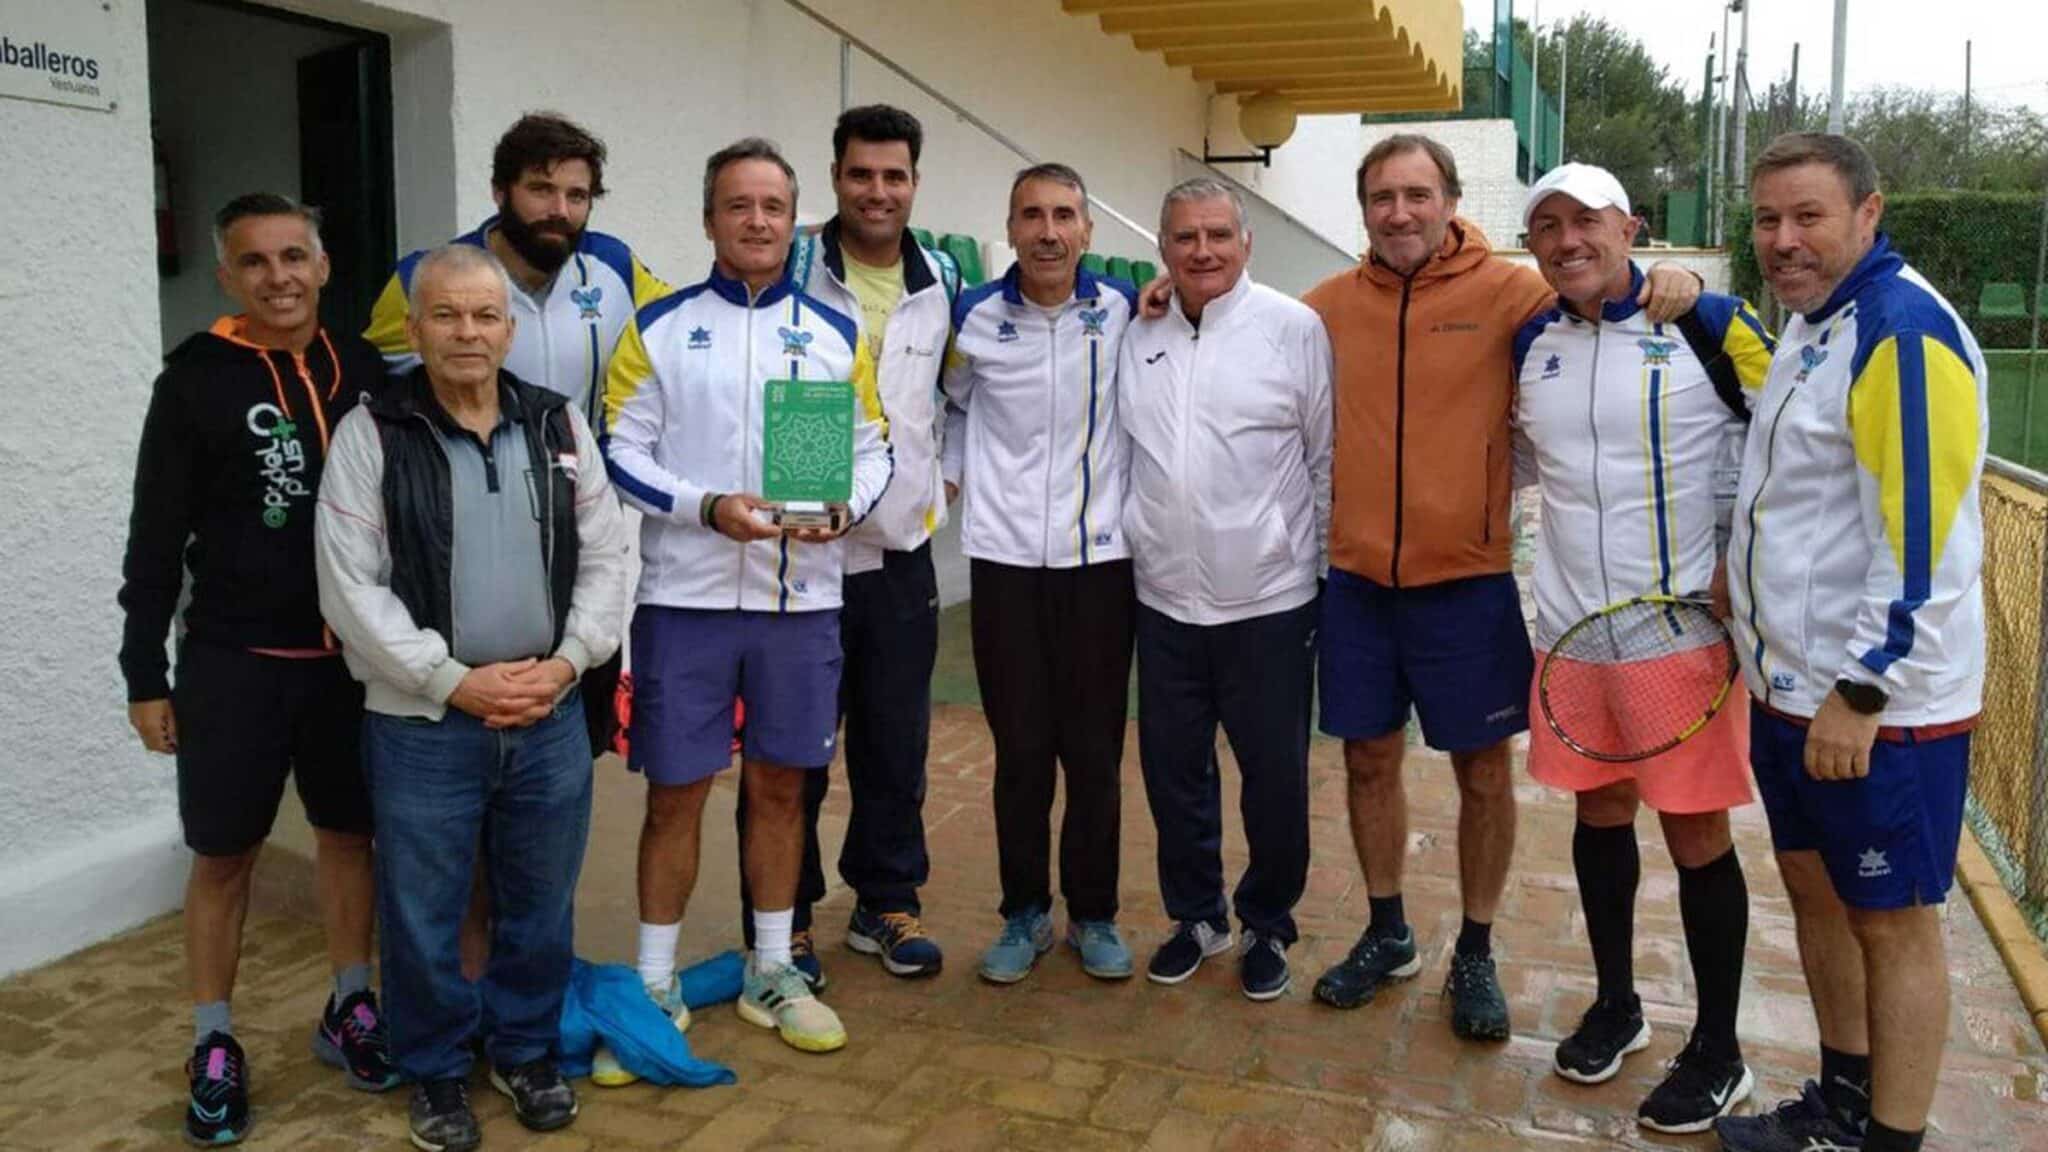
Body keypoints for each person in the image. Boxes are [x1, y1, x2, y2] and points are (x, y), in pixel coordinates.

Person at [1302, 133, 1700, 1041]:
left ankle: (1476, 948)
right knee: (1367, 760)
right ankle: (1387, 929)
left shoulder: (1513, 294)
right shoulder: (1322, 308)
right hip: (1358, 581)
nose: (1399, 213)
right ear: (1363, 210)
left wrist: (1683, 286)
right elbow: (1235, 328)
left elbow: (1608, 290)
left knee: (1482, 772)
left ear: (1449, 200)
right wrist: (1159, 298)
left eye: (1417, 194)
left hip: (1468, 582)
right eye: (1382, 198)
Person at [316, 243, 628, 1150]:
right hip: (422, 724)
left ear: (508, 327)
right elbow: (351, 588)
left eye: (485, 316)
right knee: (423, 910)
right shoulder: (373, 432)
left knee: (540, 900)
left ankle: (525, 1051)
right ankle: (437, 1071)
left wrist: (570, 661)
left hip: (549, 709)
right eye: (445, 316)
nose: (467, 333)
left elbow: (610, 556)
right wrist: (453, 682)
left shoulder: (559, 424)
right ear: (413, 330)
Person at [1715, 132, 1987, 1152]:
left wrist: (1864, 691)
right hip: (1788, 690)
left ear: (1866, 215)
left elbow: (1922, 542)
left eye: (1807, 217)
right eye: (1766, 219)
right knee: (1814, 892)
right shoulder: (1807, 323)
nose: (1782, 240)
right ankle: (1837, 1101)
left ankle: (1889, 1139)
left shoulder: (1897, 328)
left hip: (1878, 710)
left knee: (1891, 922)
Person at [120, 193, 397, 1147]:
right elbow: (153, 540)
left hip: (350, 667)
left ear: (322, 266)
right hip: (234, 663)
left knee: (349, 836)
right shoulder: (193, 380)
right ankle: (212, 1042)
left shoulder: (366, 370)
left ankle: (350, 1004)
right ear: (226, 278)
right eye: (255, 262)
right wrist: (142, 675)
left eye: (294, 257)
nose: (278, 277)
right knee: (224, 854)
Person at [603, 137, 892, 1055]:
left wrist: (847, 505)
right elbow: (617, 449)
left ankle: (773, 967)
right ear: (709, 220)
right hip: (683, 599)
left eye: (773, 206)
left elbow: (875, 447)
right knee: (676, 795)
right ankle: (653, 981)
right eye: (739, 205)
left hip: (801, 601)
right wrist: (704, 508)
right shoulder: (658, 326)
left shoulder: (837, 333)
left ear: (793, 220)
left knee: (781, 788)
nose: (757, 221)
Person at [1513, 163, 1774, 1133]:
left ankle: (1718, 1049)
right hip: (1571, 632)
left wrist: (1736, 566)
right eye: (1545, 225)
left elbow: (1787, 425)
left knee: (1696, 835)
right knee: (1596, 816)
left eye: (1585, 220)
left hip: (1679, 639)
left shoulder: (1704, 324)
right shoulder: (1528, 341)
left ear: (1628, 228)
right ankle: (1616, 1004)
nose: (1566, 239)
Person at [365, 111, 667, 762]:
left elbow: (683, 341)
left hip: (578, 540)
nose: (559, 209)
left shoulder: (615, 267)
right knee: (459, 741)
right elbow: (369, 389)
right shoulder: (432, 277)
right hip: (458, 542)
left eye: (577, 195)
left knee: (566, 745)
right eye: (540, 189)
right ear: (500, 192)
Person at [737, 103, 958, 984]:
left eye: (894, 175)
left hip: (902, 553)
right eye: (861, 174)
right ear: (835, 178)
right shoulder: (786, 264)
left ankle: (886, 901)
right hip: (804, 553)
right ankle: (781, 918)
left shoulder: (938, 275)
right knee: (793, 749)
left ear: (913, 183)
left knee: (894, 744)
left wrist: (940, 478)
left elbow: (963, 387)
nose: (878, 190)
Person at [1119, 177, 1330, 1002]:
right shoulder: (1138, 329)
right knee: (1173, 770)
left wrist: (1313, 572)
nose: (1202, 251)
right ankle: (1196, 916)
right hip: (1163, 595)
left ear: (1247, 242)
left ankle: (1268, 923)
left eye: (1217, 235)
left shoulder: (1293, 328)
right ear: (1163, 249)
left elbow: (1323, 456)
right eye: (1184, 238)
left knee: (1273, 776)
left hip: (1271, 602)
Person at [943, 163, 1138, 985]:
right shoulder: (975, 319)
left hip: (1102, 565)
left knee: (1093, 753)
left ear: (1088, 231)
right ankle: (1024, 913)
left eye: (1064, 215)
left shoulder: (1128, 312)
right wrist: (954, 486)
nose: (1049, 231)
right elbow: (950, 406)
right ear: (1011, 227)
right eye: (1032, 215)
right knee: (1022, 751)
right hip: (1006, 565)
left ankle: (1093, 914)